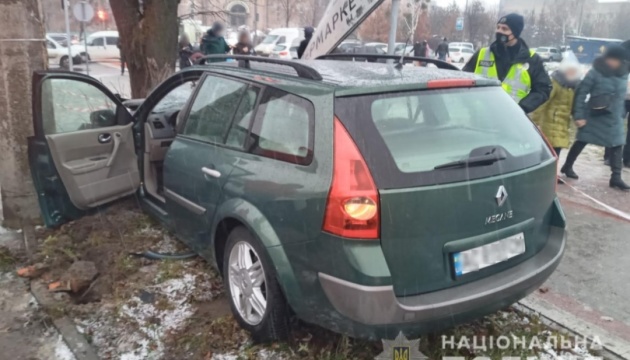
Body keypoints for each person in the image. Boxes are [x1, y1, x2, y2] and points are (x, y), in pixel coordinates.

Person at [560, 45, 630, 191]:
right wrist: (579, 115)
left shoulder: (624, 73)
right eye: (610, 58)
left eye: (616, 60)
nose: (612, 62)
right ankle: (567, 166)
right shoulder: (595, 72)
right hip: (595, 114)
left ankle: (615, 177)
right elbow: (581, 93)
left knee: (617, 144)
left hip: (615, 116)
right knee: (582, 140)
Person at [463, 13, 552, 114]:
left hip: (512, 120)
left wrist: (523, 107)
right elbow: (463, 80)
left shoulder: (531, 59)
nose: (499, 31)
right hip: (480, 116)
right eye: (498, 27)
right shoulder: (482, 54)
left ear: (515, 33)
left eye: (504, 29)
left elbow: (543, 89)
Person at [531, 61, 581, 159]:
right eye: (570, 70)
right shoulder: (555, 83)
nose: (572, 73)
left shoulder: (572, 86)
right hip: (551, 123)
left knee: (555, 151)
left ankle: (552, 171)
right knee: (551, 151)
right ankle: (549, 172)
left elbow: (573, 106)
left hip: (562, 125)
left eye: (574, 71)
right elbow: (543, 102)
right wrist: (534, 121)